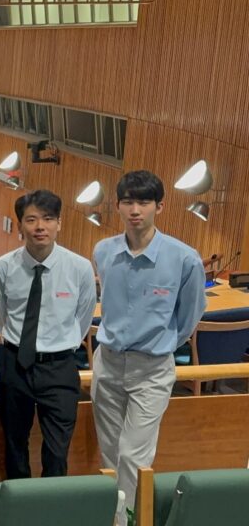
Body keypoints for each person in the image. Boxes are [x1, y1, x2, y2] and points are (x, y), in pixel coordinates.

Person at [91, 170, 206, 508]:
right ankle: (118, 517)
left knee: (133, 455)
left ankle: (127, 518)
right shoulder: (103, 251)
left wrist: (162, 343)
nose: (135, 210)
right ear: (118, 206)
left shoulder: (184, 258)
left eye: (144, 202)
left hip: (151, 369)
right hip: (108, 363)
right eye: (128, 202)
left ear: (160, 206)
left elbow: (188, 318)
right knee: (111, 454)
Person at [0, 190, 96, 479]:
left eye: (48, 219)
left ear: (59, 224)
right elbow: (1, 315)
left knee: (56, 451)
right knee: (14, 446)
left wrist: (60, 344)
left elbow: (83, 318)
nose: (40, 227)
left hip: (60, 368)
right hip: (14, 365)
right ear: (20, 225)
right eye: (32, 219)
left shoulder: (80, 268)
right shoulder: (2, 268)